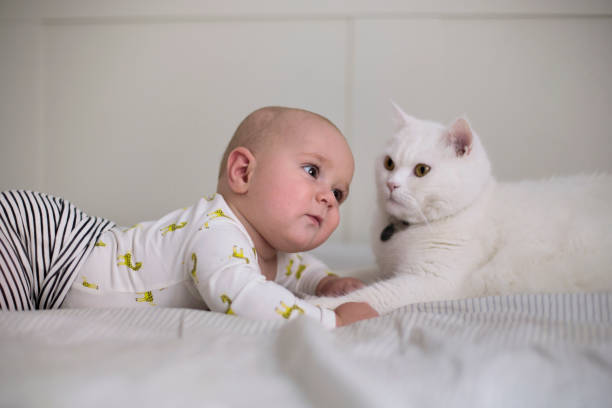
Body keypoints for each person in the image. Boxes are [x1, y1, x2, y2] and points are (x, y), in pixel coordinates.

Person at [0, 106, 378, 328]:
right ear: (244, 173)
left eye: (340, 194)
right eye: (313, 171)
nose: (328, 198)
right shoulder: (216, 233)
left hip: (59, 258)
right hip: (41, 244)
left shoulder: (271, 251)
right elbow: (244, 297)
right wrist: (333, 320)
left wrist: (325, 282)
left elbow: (298, 269)